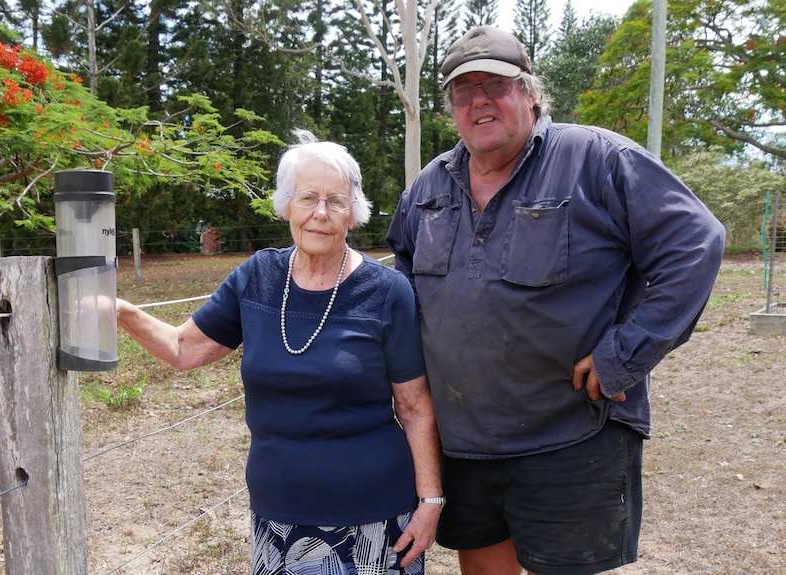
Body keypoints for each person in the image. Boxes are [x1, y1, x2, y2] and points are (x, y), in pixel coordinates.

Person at [386, 25, 725, 575]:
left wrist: (625, 354)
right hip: (463, 439)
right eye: (463, 90)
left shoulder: (597, 159)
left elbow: (696, 242)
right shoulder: (428, 187)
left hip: (570, 436)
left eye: (495, 84)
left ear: (530, 92)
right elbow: (397, 284)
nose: (479, 101)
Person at [117, 129, 442, 575]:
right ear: (287, 205)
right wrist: (122, 312)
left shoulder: (386, 292)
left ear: (354, 213)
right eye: (308, 198)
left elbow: (414, 406)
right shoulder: (258, 278)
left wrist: (430, 503)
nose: (321, 214)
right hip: (278, 515)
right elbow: (182, 348)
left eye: (336, 201)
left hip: (374, 517)